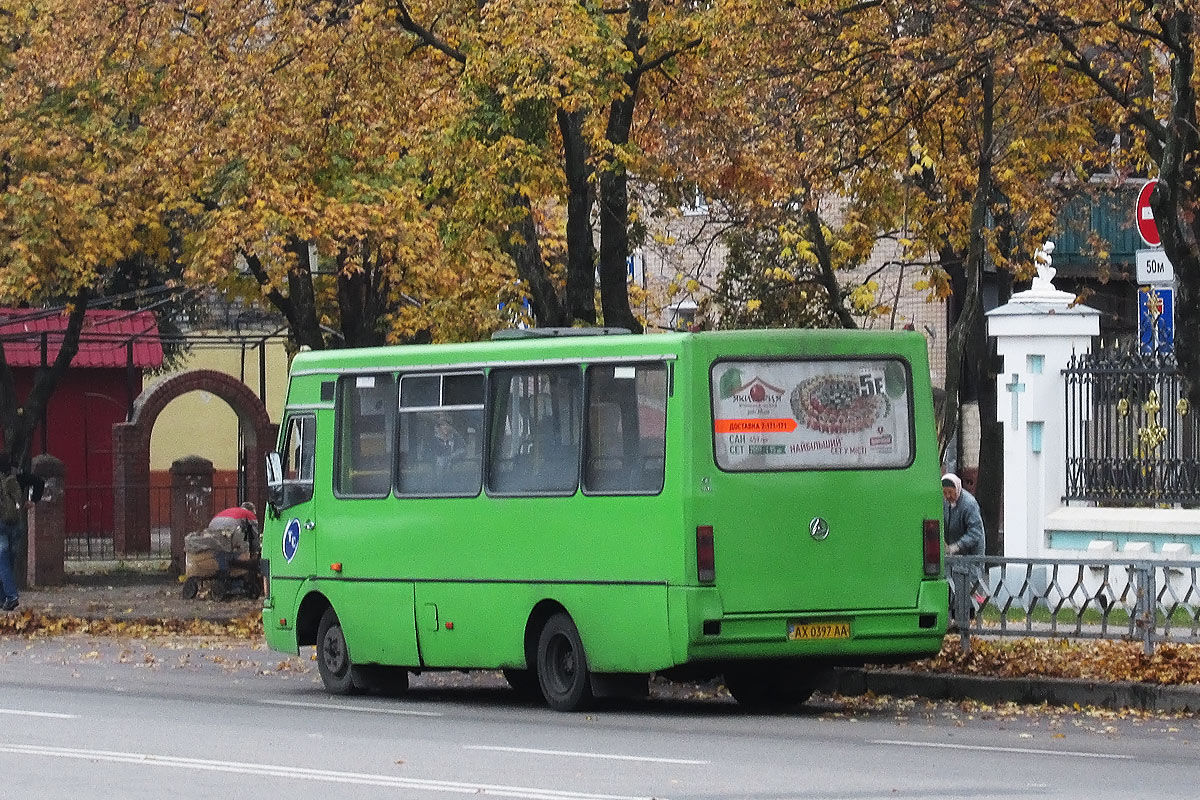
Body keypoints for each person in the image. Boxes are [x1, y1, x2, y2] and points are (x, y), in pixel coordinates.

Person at [0, 452, 45, 612]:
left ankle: (11, 596)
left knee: (2, 562)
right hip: (16, 523)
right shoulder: (18, 475)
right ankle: (4, 598)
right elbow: (39, 482)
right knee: (8, 562)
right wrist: (33, 501)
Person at [942, 472, 986, 614]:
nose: (948, 496)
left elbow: (975, 532)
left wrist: (958, 546)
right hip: (953, 551)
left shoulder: (969, 504)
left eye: (950, 492)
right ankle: (954, 615)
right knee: (953, 583)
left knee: (969, 583)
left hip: (970, 551)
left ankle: (970, 616)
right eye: (945, 493)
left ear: (958, 488)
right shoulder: (945, 503)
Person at [430, 412, 466, 477]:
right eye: (443, 425)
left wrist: (453, 457)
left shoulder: (456, 438)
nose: (446, 427)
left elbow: (463, 450)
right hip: (435, 472)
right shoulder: (433, 440)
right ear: (438, 427)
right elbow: (428, 455)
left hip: (454, 470)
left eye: (448, 425)